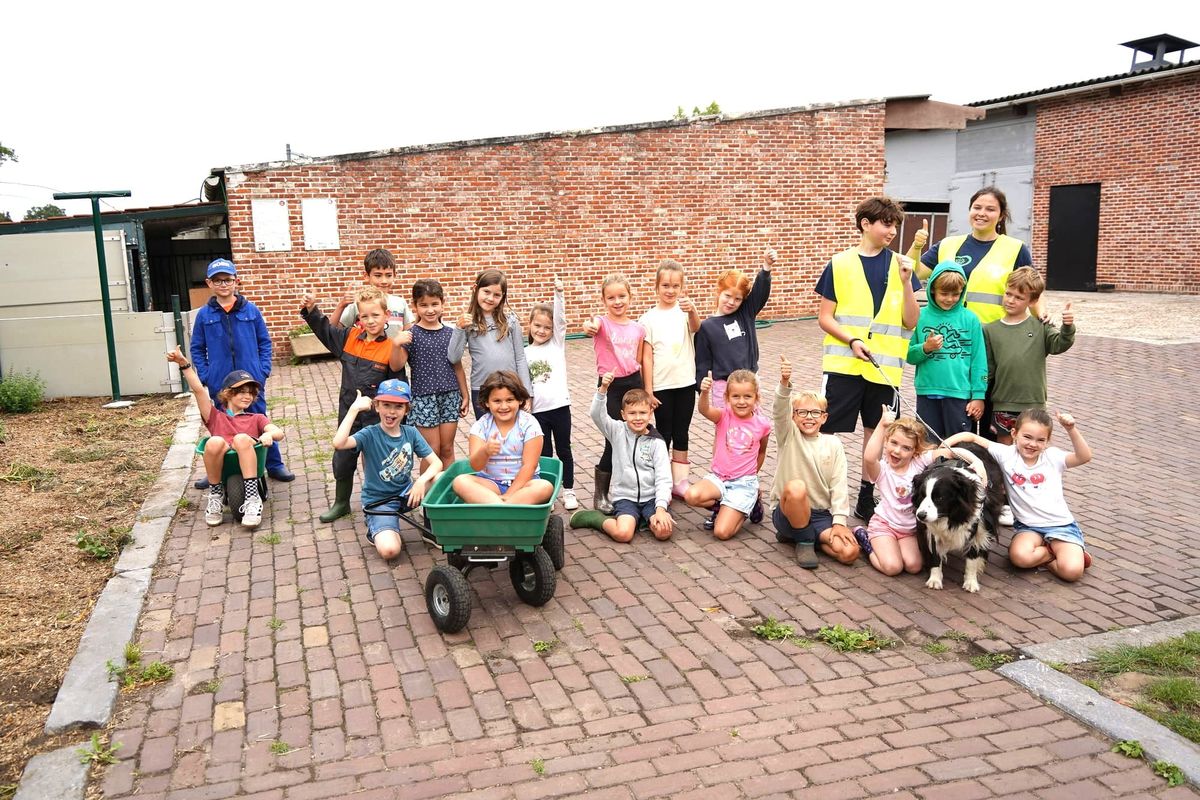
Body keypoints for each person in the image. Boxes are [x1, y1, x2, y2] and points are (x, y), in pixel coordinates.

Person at [815, 197, 920, 522]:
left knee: (878, 434)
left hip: (885, 369)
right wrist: (852, 339)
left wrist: (906, 283)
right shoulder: (839, 263)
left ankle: (866, 495)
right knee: (827, 432)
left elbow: (911, 321)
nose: (892, 231)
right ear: (865, 224)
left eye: (895, 226)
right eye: (886, 224)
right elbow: (825, 317)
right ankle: (824, 495)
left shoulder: (902, 265)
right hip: (843, 366)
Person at [944, 410, 1093, 582]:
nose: (1032, 444)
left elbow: (1084, 457)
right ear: (1014, 434)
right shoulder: (1006, 454)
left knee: (1071, 572)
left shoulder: (1052, 457)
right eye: (1027, 437)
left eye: (1040, 440)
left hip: (1061, 526)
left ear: (1047, 441)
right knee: (1019, 558)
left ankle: (1062, 554)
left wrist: (1071, 429)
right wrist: (944, 446)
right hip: (1028, 528)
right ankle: (1051, 554)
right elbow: (971, 437)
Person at [300, 285, 405, 522]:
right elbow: (325, 331)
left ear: (387, 315)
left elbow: (398, 387)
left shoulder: (391, 347)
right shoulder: (349, 338)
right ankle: (341, 503)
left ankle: (383, 503)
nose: (370, 321)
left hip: (378, 416)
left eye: (375, 315)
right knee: (343, 457)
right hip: (349, 412)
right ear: (359, 317)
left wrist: (395, 416)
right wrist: (311, 308)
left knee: (380, 459)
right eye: (364, 316)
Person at [189, 258, 293, 486]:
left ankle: (273, 464)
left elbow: (264, 342)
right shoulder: (204, 315)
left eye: (227, 279)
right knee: (221, 425)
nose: (223, 284)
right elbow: (197, 348)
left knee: (259, 419)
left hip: (251, 379)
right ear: (209, 283)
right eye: (218, 280)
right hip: (220, 382)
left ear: (236, 281)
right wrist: (206, 375)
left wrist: (262, 370)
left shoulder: (251, 310)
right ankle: (218, 468)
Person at [167, 347, 284, 528]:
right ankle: (215, 494)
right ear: (228, 393)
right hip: (220, 458)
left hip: (248, 453)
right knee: (213, 441)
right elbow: (199, 391)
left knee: (241, 438)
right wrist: (184, 363)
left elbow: (278, 432)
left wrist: (268, 434)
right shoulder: (215, 417)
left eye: (251, 393)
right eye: (242, 392)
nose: (247, 396)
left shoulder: (256, 418)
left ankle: (252, 498)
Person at [332, 380, 443, 560]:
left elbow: (437, 463)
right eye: (386, 405)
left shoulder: (410, 432)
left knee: (441, 478)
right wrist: (354, 410)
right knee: (390, 551)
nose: (391, 411)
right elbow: (339, 443)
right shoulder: (369, 434)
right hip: (379, 502)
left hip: (406, 494)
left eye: (398, 406)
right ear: (377, 406)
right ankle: (377, 528)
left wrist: (421, 481)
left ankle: (430, 530)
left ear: (406, 410)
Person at [771, 354, 857, 569]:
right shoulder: (788, 436)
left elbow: (839, 485)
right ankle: (804, 541)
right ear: (793, 416)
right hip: (787, 511)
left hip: (819, 515)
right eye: (802, 412)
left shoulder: (833, 444)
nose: (809, 417)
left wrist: (839, 521)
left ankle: (803, 535)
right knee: (796, 487)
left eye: (815, 412)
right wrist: (784, 383)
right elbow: (779, 412)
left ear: (824, 417)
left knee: (850, 552)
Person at [913, 186, 1043, 324]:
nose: (981, 213)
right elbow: (915, 273)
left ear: (1001, 216)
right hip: (948, 330)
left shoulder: (1016, 249)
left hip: (991, 331)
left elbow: (1033, 289)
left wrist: (1042, 315)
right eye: (977, 207)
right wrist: (916, 246)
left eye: (990, 209)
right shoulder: (947, 244)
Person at [569, 375, 674, 542]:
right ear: (623, 415)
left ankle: (642, 519)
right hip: (626, 498)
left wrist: (661, 507)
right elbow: (597, 415)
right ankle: (596, 518)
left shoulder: (657, 442)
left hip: (651, 498)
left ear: (650, 413)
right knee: (623, 534)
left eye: (642, 413)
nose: (637, 418)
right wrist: (603, 389)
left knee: (664, 532)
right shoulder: (617, 431)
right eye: (632, 413)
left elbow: (664, 478)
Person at [582, 274, 651, 514]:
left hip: (634, 382)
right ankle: (601, 494)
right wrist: (589, 326)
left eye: (622, 296)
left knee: (636, 436)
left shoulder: (638, 329)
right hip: (610, 385)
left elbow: (639, 358)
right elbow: (590, 325)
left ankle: (634, 490)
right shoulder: (602, 323)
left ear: (630, 297)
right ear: (604, 300)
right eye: (611, 297)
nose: (617, 301)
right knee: (614, 439)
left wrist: (647, 391)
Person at [984, 267, 1076, 446]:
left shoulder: (1041, 326)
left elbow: (1059, 344)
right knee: (1004, 451)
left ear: (1032, 301)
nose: (1011, 300)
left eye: (1019, 297)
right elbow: (989, 369)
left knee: (1032, 447)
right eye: (1008, 294)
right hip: (1003, 403)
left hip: (1034, 403)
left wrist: (1067, 327)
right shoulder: (990, 330)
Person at [639, 260, 701, 499]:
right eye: (665, 285)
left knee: (682, 431)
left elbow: (696, 327)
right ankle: (662, 480)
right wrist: (648, 390)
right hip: (662, 386)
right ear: (656, 286)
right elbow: (646, 357)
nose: (670, 290)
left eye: (676, 286)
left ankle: (680, 481)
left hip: (685, 382)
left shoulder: (685, 312)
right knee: (663, 432)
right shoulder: (648, 319)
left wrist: (692, 311)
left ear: (682, 287)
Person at [684, 369, 770, 540]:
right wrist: (704, 393)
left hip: (743, 483)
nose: (741, 401)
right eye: (736, 396)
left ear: (756, 398)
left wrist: (752, 477)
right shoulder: (723, 416)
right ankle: (725, 506)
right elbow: (704, 410)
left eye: (747, 396)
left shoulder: (762, 425)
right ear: (727, 398)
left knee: (722, 532)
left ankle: (749, 504)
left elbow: (761, 452)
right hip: (719, 479)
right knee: (691, 496)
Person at [905, 261, 987, 440]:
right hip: (927, 393)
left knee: (960, 446)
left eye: (955, 294)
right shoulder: (920, 315)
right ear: (933, 289)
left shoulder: (971, 319)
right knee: (927, 445)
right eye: (944, 293)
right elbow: (908, 355)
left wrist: (978, 396)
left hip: (959, 395)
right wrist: (925, 348)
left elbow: (979, 360)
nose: (949, 299)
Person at [393, 279, 469, 469]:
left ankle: (448, 486)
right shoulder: (411, 334)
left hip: (450, 395)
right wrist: (396, 344)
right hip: (423, 398)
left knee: (447, 449)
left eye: (434, 304)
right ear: (415, 306)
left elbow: (457, 366)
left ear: (443, 303)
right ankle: (427, 486)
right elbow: (396, 366)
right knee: (431, 451)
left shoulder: (451, 333)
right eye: (424, 305)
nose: (430, 310)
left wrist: (465, 394)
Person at [451, 370, 554, 505]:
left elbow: (530, 465)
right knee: (460, 482)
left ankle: (496, 506)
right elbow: (475, 466)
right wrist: (485, 451)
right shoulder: (481, 426)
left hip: (524, 483)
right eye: (497, 401)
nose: (504, 406)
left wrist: (509, 494)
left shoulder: (529, 424)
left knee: (544, 487)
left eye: (510, 400)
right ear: (487, 402)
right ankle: (506, 507)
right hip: (490, 484)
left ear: (520, 400)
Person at [852, 408, 934, 576]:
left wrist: (975, 458)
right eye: (894, 443)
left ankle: (891, 546)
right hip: (884, 525)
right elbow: (869, 458)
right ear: (887, 441)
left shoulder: (918, 463)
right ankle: (865, 539)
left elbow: (946, 450)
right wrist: (882, 425)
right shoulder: (882, 470)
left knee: (914, 566)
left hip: (908, 530)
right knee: (892, 567)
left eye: (906, 448)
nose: (897, 451)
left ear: (915, 452)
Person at [694, 249, 776, 410]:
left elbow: (759, 293)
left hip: (750, 383)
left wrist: (766, 267)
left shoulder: (745, 314)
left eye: (737, 299)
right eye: (727, 296)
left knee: (752, 422)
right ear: (718, 292)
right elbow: (702, 361)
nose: (731, 302)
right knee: (726, 423)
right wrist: (700, 385)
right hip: (724, 387)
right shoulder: (706, 327)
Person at [525, 277, 579, 511]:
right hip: (538, 412)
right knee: (544, 453)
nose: (542, 331)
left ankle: (569, 490)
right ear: (530, 325)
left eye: (547, 327)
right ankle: (548, 492)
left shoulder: (557, 344)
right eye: (537, 325)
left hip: (560, 408)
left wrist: (559, 294)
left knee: (564, 450)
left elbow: (560, 319)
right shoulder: (525, 353)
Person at [450, 269, 532, 419]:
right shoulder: (468, 323)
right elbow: (454, 357)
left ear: (503, 296)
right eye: (486, 292)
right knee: (487, 431)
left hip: (511, 387)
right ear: (475, 289)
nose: (490, 298)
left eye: (496, 295)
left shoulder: (511, 321)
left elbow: (520, 358)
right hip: (482, 388)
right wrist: (459, 328)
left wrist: (526, 392)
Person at [332, 249, 415, 344]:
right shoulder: (358, 303)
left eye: (388, 275)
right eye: (378, 275)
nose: (384, 281)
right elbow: (332, 331)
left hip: (395, 353)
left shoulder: (400, 303)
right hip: (367, 352)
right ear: (366, 276)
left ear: (395, 275)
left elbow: (410, 333)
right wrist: (341, 306)